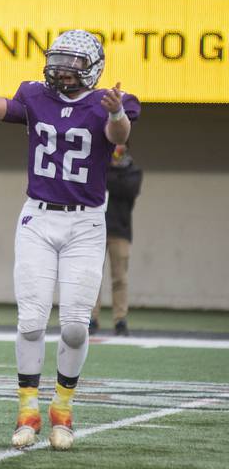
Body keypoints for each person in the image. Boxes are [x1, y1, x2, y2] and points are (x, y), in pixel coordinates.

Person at [0, 29, 140, 450]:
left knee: (73, 325)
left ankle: (63, 410)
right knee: (31, 320)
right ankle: (28, 410)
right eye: (59, 61)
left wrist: (116, 114)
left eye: (73, 64)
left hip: (86, 224)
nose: (63, 71)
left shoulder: (108, 101)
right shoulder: (36, 96)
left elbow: (119, 137)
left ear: (93, 68)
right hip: (38, 217)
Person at [90, 143, 142, 336]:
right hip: (95, 230)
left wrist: (107, 173)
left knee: (120, 278)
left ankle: (120, 320)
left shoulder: (133, 171)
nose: (116, 150)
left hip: (120, 231)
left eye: (120, 147)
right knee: (94, 277)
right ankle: (91, 318)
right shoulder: (98, 166)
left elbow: (127, 190)